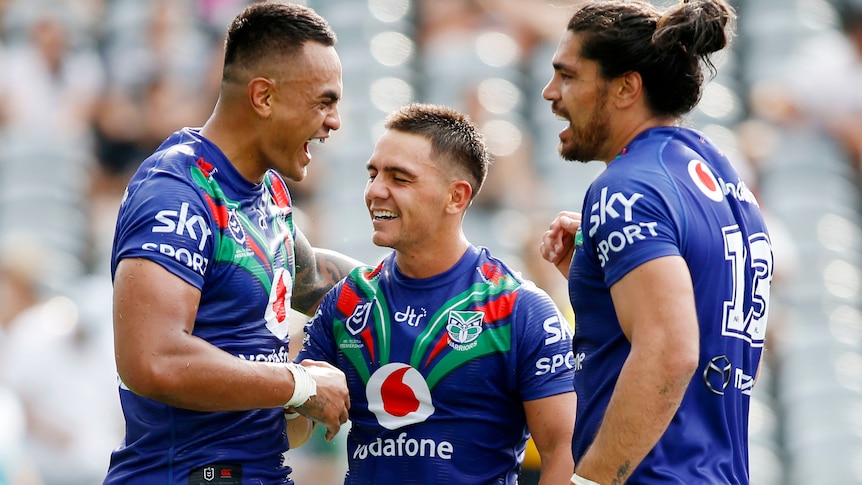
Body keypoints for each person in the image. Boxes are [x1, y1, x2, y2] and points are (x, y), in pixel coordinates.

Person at [105, 3, 362, 484]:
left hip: (257, 471)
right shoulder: (177, 193)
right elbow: (153, 359)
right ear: (263, 97)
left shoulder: (267, 194)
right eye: (323, 102)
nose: (335, 122)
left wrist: (439, 287)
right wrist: (299, 385)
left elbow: (312, 277)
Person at [539, 1, 774, 484]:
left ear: (626, 87)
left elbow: (671, 348)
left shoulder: (626, 189)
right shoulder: (720, 178)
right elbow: (703, 319)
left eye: (568, 76)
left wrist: (591, 480)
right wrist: (597, 274)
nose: (550, 93)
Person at [297, 103, 577, 484]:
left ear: (456, 197)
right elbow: (295, 430)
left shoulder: (519, 310)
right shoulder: (347, 302)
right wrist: (294, 391)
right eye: (373, 174)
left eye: (399, 178)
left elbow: (565, 453)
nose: (376, 191)